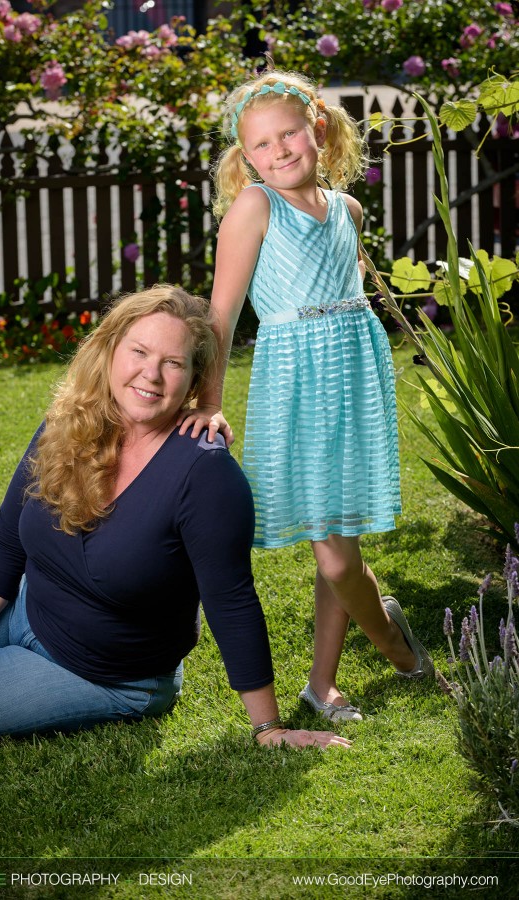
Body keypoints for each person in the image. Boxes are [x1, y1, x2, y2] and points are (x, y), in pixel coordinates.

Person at [0, 285, 351, 752]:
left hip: (102, 672)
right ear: (109, 351)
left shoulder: (207, 475)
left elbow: (231, 602)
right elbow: (7, 539)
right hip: (24, 605)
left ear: (194, 379)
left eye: (173, 363)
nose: (152, 375)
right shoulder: (69, 423)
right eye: (140, 352)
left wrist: (269, 728)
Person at [180, 70, 433, 723]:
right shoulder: (254, 208)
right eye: (259, 145)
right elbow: (221, 315)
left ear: (316, 127)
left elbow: (345, 299)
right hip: (297, 382)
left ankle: (321, 687)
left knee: (340, 533)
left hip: (353, 373)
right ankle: (398, 648)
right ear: (246, 158)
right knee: (330, 546)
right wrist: (208, 400)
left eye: (287, 133)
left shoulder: (345, 208)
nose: (278, 151)